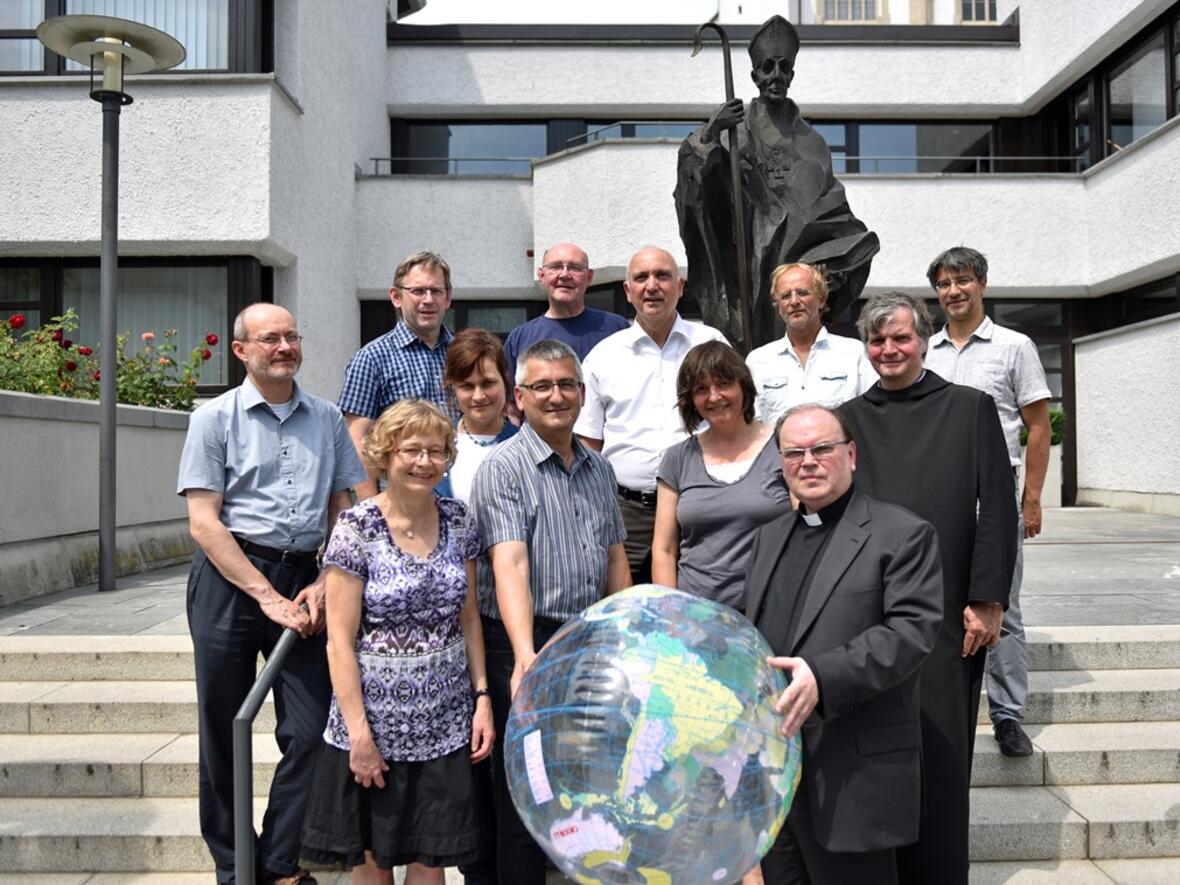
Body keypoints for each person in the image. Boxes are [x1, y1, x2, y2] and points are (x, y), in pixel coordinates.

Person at [177, 303, 367, 885]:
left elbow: (344, 507)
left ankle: (280, 864)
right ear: (241, 350)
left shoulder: (327, 418)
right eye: (270, 339)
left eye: (292, 337)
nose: (284, 347)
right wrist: (264, 595)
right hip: (231, 581)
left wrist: (324, 579)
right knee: (222, 730)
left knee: (313, 730)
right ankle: (235, 868)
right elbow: (204, 522)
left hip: (306, 580)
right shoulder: (213, 419)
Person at [837, 291, 1017, 885]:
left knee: (941, 754)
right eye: (877, 340)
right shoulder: (847, 420)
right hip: (866, 614)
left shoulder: (969, 408)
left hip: (948, 615)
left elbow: (997, 507)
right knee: (872, 753)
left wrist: (987, 599)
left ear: (923, 341)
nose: (888, 349)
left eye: (900, 338)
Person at [747, 405, 943, 885]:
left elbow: (911, 632)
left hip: (850, 774)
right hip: (776, 779)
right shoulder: (767, 538)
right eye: (794, 453)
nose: (808, 461)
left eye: (822, 449)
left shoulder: (902, 534)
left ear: (851, 454)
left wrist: (823, 676)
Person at [300, 400, 494, 885]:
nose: (424, 461)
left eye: (435, 450)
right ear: (386, 455)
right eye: (411, 450)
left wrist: (482, 697)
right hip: (376, 730)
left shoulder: (459, 520)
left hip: (445, 725)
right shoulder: (357, 528)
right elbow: (339, 643)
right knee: (374, 862)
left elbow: (469, 617)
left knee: (432, 862)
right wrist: (359, 736)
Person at [470, 338, 631, 885]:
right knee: (526, 791)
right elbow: (509, 563)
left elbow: (615, 557)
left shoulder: (599, 468)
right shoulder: (503, 468)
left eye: (566, 385)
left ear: (583, 393)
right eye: (542, 386)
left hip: (587, 642)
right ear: (519, 396)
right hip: (525, 644)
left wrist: (624, 636)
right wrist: (524, 656)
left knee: (587, 786)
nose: (556, 396)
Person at [675, 15, 879, 351]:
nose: (776, 76)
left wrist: (831, 252)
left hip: (798, 264)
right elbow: (700, 191)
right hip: (747, 263)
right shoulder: (734, 132)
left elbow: (833, 208)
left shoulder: (813, 141)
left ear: (792, 75)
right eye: (768, 67)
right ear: (755, 75)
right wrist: (711, 133)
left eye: (785, 68)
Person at [923, 246, 1052, 760]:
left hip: (994, 499)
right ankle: (940, 703)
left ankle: (1007, 715)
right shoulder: (925, 350)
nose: (953, 291)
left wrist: (1032, 498)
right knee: (935, 600)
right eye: (944, 283)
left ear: (982, 284)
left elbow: (1037, 427)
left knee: (1003, 605)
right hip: (936, 494)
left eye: (962, 280)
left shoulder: (1014, 347)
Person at [576, 246, 726, 583]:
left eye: (662, 276)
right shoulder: (604, 356)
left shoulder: (711, 345)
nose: (652, 285)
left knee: (695, 604)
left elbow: (735, 423)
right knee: (626, 606)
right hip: (625, 514)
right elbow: (588, 444)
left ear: (680, 286)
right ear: (628, 291)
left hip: (697, 505)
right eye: (641, 277)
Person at [652, 340, 791, 611]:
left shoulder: (783, 448)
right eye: (701, 389)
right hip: (697, 615)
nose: (714, 397)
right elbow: (664, 549)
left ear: (743, 386)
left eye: (724, 384)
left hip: (770, 609)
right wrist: (670, 613)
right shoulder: (677, 458)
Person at [339, 250, 455, 499]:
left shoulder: (461, 354)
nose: (428, 300)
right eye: (418, 291)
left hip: (459, 500)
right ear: (396, 297)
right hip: (398, 502)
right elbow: (356, 442)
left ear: (448, 298)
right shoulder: (372, 359)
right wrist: (373, 508)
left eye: (436, 291)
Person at [745, 262, 876, 422]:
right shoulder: (758, 361)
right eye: (786, 296)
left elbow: (870, 414)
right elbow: (753, 423)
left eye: (802, 293)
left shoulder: (854, 353)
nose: (794, 301)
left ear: (821, 300)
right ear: (778, 307)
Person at [503, 242, 628, 381]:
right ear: (542, 276)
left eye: (574, 268)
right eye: (556, 267)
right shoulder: (520, 339)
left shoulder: (616, 328)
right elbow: (510, 394)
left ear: (589, 277)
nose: (564, 275)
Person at [442, 328, 519, 503]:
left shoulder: (526, 447)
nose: (478, 396)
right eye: (467, 386)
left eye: (487, 383)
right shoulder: (437, 444)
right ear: (453, 388)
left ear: (505, 380)